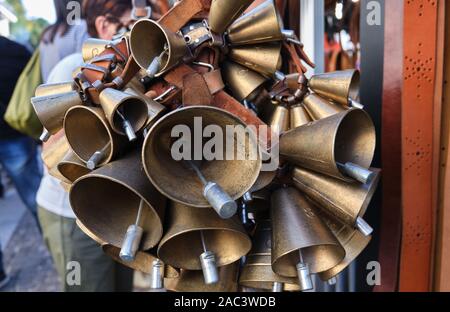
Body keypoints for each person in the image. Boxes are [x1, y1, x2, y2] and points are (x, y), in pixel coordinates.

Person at [36, 0, 136, 292]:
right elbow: (53, 157)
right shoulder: (71, 70)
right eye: (131, 25)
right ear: (106, 26)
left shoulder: (130, 73)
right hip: (72, 217)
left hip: (111, 217)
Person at [0, 36, 42, 290]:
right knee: (33, 195)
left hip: (14, 136)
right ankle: (52, 243)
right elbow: (32, 87)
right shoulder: (14, 50)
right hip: (14, 132)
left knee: (33, 194)